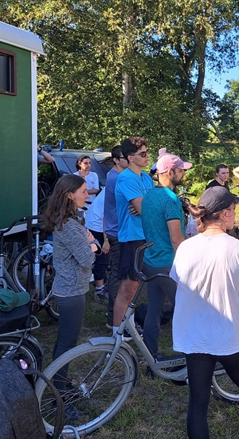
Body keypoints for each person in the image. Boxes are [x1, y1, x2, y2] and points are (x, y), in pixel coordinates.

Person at [171, 186, 239, 439]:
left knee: (198, 403)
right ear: (224, 214)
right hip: (229, 335)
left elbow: (182, 289)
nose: (236, 216)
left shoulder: (185, 249)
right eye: (233, 211)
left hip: (194, 337)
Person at [41, 175, 100, 419]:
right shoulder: (68, 225)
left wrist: (89, 241)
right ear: (69, 194)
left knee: (65, 344)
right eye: (83, 191)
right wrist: (93, 245)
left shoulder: (70, 220)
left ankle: (60, 386)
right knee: (67, 347)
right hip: (71, 292)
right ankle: (60, 398)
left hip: (70, 289)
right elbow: (87, 258)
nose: (88, 195)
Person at [140, 153, 192, 359]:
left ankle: (150, 356)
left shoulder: (149, 195)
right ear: (170, 173)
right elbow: (176, 239)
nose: (184, 173)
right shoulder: (171, 200)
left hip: (150, 261)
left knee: (154, 310)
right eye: (181, 170)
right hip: (168, 265)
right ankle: (192, 357)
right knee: (188, 310)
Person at [113, 137, 154, 336]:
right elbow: (142, 208)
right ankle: (116, 332)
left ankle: (129, 326)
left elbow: (153, 205)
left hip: (146, 235)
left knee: (137, 287)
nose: (147, 157)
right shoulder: (126, 178)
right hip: (132, 238)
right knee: (128, 287)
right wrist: (147, 206)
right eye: (143, 154)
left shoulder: (145, 177)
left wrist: (147, 206)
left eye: (147, 153)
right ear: (130, 158)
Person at [105, 146, 128, 326]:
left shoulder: (115, 176)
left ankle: (115, 314)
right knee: (117, 276)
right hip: (118, 232)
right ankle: (114, 317)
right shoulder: (116, 178)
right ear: (115, 160)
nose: (127, 160)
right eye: (124, 157)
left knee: (118, 273)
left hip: (116, 230)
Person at [84, 186, 109, 301]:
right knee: (102, 258)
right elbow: (106, 218)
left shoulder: (110, 186)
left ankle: (101, 281)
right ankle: (99, 289)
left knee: (101, 258)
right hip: (97, 227)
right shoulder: (112, 191)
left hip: (92, 223)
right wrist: (106, 241)